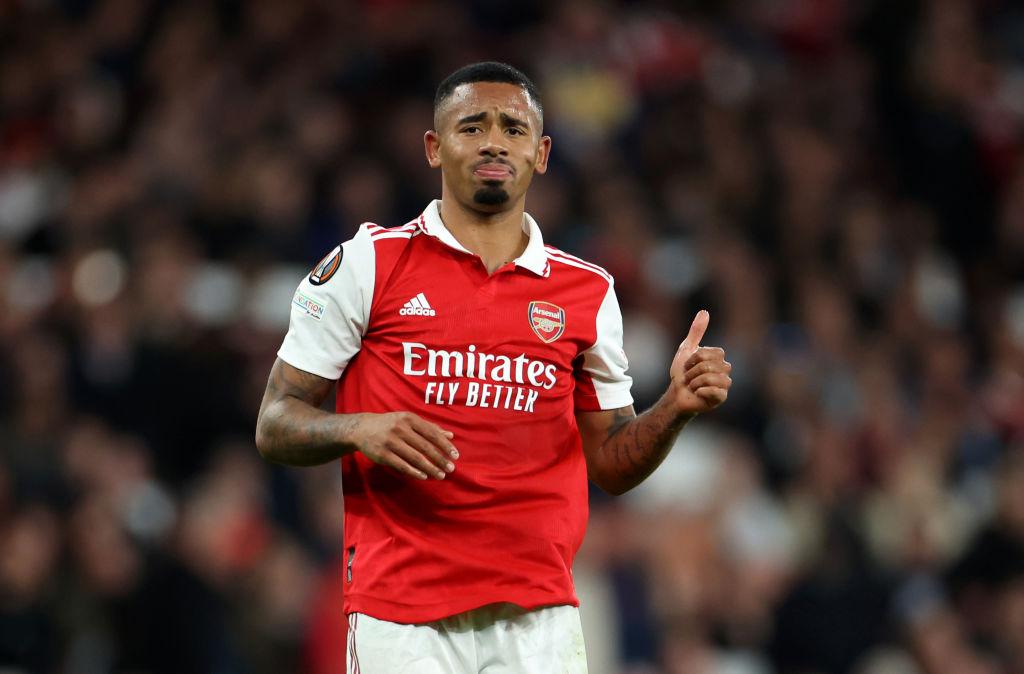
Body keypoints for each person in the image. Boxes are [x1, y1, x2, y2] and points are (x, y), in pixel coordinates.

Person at [255, 61, 732, 673]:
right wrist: (359, 429)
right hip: (400, 617)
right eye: (472, 126)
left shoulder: (587, 293)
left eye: (513, 128)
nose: (493, 143)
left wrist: (675, 408)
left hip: (540, 620)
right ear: (434, 147)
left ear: (541, 153)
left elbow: (611, 464)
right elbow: (274, 422)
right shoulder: (368, 264)